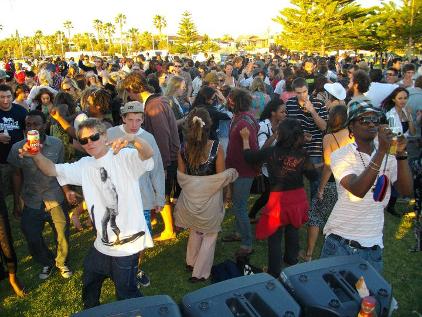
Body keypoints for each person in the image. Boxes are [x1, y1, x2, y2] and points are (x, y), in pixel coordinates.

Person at [19, 118, 154, 308]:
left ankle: (146, 311)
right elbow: (51, 170)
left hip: (127, 245)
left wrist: (132, 138)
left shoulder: (124, 157)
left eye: (94, 137)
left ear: (105, 136)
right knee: (90, 279)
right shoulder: (84, 164)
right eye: (84, 140)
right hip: (102, 244)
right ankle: (91, 311)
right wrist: (35, 155)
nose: (89, 143)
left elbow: (148, 153)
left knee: (126, 292)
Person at [321, 101, 413, 273]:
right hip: (342, 242)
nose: (371, 123)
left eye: (375, 119)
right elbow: (358, 190)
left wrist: (401, 155)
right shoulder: (341, 155)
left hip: (373, 244)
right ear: (351, 128)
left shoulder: (389, 155)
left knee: (368, 298)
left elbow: (406, 191)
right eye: (364, 120)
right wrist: (381, 152)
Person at [241, 118, 318, 277]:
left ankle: (275, 271)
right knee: (293, 227)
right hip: (297, 197)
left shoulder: (272, 152)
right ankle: (291, 260)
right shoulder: (302, 153)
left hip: (279, 199)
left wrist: (245, 140)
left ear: (280, 135)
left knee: (275, 237)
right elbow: (313, 176)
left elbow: (249, 157)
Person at [8, 110, 73, 280]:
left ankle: (61, 262)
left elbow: (61, 171)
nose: (32, 128)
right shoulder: (17, 148)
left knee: (62, 234)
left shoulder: (56, 144)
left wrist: (67, 192)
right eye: (28, 125)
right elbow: (16, 174)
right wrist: (17, 200)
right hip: (32, 199)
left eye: (36, 124)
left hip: (55, 196)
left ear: (44, 125)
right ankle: (46, 261)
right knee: (31, 235)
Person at [107, 101, 165, 288]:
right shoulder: (110, 135)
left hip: (143, 198)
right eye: (130, 120)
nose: (134, 125)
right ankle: (121, 267)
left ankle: (134, 268)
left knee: (140, 237)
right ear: (123, 118)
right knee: (118, 235)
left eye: (138, 120)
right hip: (117, 199)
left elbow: (157, 169)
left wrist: (159, 196)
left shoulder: (148, 138)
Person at [175, 108, 237, 282]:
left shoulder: (182, 149)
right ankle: (200, 272)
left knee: (195, 228)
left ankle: (191, 261)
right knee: (210, 234)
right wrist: (227, 196)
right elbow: (221, 178)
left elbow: (182, 177)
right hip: (210, 199)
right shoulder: (216, 148)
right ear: (209, 125)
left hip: (190, 198)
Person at [123, 73, 179, 241]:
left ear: (133, 89)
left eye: (128, 93)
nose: (129, 97)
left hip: (163, 159)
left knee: (161, 192)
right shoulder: (155, 102)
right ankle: (161, 222)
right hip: (161, 157)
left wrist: (161, 165)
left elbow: (162, 136)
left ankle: (169, 229)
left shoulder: (154, 106)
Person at [303, 105, 353, 261]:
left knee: (315, 215)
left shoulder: (328, 138)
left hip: (333, 182)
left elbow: (328, 166)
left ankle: (309, 254)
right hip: (351, 182)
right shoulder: (354, 135)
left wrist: (321, 188)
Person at [223, 88, 259, 256]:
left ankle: (247, 243)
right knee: (238, 206)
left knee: (240, 207)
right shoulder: (241, 117)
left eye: (230, 100)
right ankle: (239, 233)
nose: (228, 102)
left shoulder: (244, 121)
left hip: (243, 170)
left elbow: (251, 148)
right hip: (237, 168)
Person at [286, 77, 328, 199]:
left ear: (308, 90)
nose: (302, 95)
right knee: (294, 183)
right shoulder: (290, 103)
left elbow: (324, 127)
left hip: (314, 149)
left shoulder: (319, 104)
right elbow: (288, 126)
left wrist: (313, 111)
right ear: (294, 92)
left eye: (304, 92)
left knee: (315, 182)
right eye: (298, 93)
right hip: (296, 149)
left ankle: (315, 213)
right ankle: (298, 210)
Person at [248, 99, 287, 222]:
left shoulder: (282, 124)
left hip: (277, 165)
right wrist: (275, 135)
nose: (285, 114)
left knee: (271, 193)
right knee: (270, 193)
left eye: (285, 111)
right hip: (266, 167)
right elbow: (261, 150)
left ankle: (255, 214)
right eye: (282, 112)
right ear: (273, 113)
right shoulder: (263, 126)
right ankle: (257, 215)